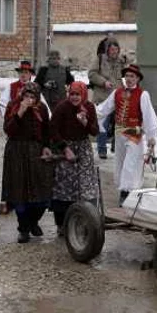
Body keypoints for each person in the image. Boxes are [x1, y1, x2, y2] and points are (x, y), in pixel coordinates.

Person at [97, 64, 157, 206]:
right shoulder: (117, 93)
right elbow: (104, 108)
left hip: (134, 132)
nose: (129, 79)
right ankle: (124, 190)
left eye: (132, 76)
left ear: (137, 78)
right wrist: (90, 114)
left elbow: (149, 116)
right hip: (119, 132)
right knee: (120, 162)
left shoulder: (143, 95)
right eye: (127, 76)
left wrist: (151, 137)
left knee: (131, 163)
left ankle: (127, 194)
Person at [2, 82, 54, 243]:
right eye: (26, 96)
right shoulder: (13, 105)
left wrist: (46, 146)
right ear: (22, 95)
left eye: (32, 97)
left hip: (36, 152)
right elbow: (8, 129)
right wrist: (21, 111)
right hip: (16, 151)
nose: (29, 100)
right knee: (20, 191)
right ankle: (23, 228)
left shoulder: (42, 109)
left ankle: (33, 221)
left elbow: (46, 130)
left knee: (42, 190)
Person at [50, 81, 99, 236]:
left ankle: (85, 221)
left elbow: (95, 131)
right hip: (66, 148)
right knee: (64, 187)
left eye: (78, 94)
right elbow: (53, 130)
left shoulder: (89, 107)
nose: (75, 97)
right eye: (72, 94)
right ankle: (61, 224)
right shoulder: (62, 107)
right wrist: (65, 148)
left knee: (85, 186)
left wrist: (85, 122)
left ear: (83, 94)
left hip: (83, 148)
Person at [88, 41, 126, 159]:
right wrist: (103, 82)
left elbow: (126, 75)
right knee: (102, 124)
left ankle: (117, 146)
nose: (114, 52)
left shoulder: (121, 62)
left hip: (118, 97)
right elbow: (91, 74)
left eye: (116, 49)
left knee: (119, 123)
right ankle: (102, 149)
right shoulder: (100, 60)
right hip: (103, 97)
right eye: (112, 50)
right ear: (107, 50)